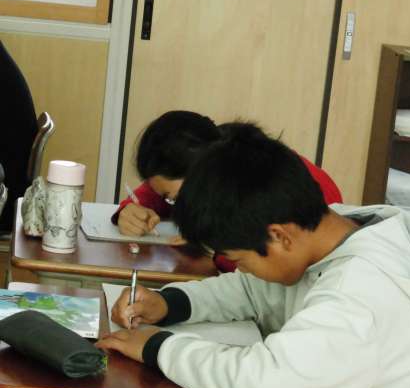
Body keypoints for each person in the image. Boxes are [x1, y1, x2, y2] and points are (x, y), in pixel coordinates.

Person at [97, 122, 410, 388]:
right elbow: (252, 290)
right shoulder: (333, 231)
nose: (243, 270)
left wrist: (158, 347)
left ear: (279, 236)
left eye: (240, 259)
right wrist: (169, 303)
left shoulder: (361, 296)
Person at [113, 110, 342, 272]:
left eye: (177, 198)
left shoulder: (274, 190)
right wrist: (129, 211)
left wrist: (216, 250)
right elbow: (153, 193)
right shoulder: (215, 150)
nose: (178, 206)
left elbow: (261, 271)